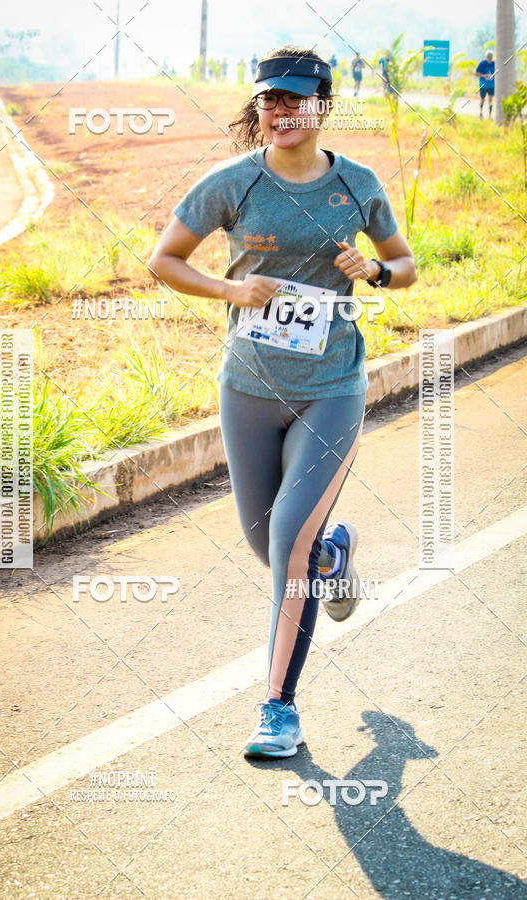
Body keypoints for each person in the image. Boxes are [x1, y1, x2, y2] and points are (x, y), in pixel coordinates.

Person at [147, 45, 416, 759]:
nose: (281, 111)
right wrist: (229, 290)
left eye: (296, 99)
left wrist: (377, 273)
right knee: (271, 546)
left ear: (324, 105)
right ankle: (333, 552)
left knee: (286, 547)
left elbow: (405, 263)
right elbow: (164, 260)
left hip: (331, 389)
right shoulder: (231, 183)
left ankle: (278, 708)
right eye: (270, 99)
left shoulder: (356, 184)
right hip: (247, 388)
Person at [475, 50, 495, 119]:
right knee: (482, 99)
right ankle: (481, 113)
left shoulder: (494, 64)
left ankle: (490, 115)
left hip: (491, 85)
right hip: (483, 84)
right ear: (486, 57)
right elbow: (476, 73)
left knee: (490, 99)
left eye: (491, 57)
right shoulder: (482, 64)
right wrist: (483, 75)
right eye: (488, 57)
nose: (490, 59)